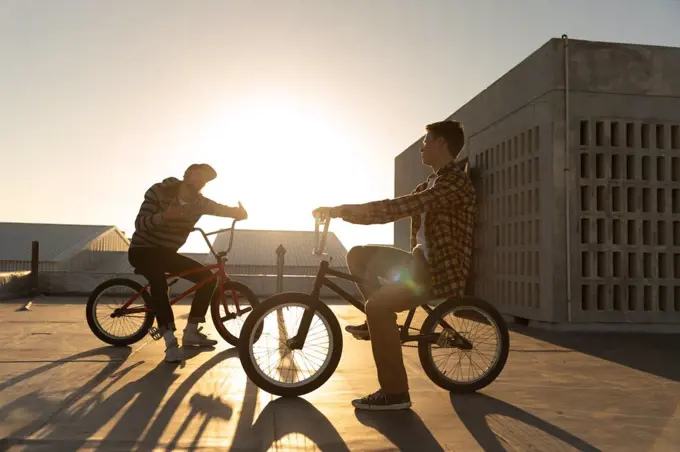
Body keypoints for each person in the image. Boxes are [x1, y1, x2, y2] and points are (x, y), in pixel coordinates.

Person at [313, 120, 476, 411]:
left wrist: (340, 211)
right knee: (358, 255)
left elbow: (397, 208)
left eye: (426, 142)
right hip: (419, 260)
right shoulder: (431, 182)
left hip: (438, 269)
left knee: (378, 307)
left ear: (442, 144)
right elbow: (395, 205)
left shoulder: (455, 182)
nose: (422, 149)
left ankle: (395, 393)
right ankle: (376, 321)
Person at [128, 163, 248, 363]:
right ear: (187, 174)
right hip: (142, 250)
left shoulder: (200, 203)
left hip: (166, 253)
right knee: (159, 281)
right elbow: (140, 223)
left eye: (205, 180)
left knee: (208, 279)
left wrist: (239, 213)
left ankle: (192, 331)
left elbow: (221, 209)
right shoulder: (159, 191)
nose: (201, 182)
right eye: (199, 175)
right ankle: (169, 341)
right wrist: (165, 216)